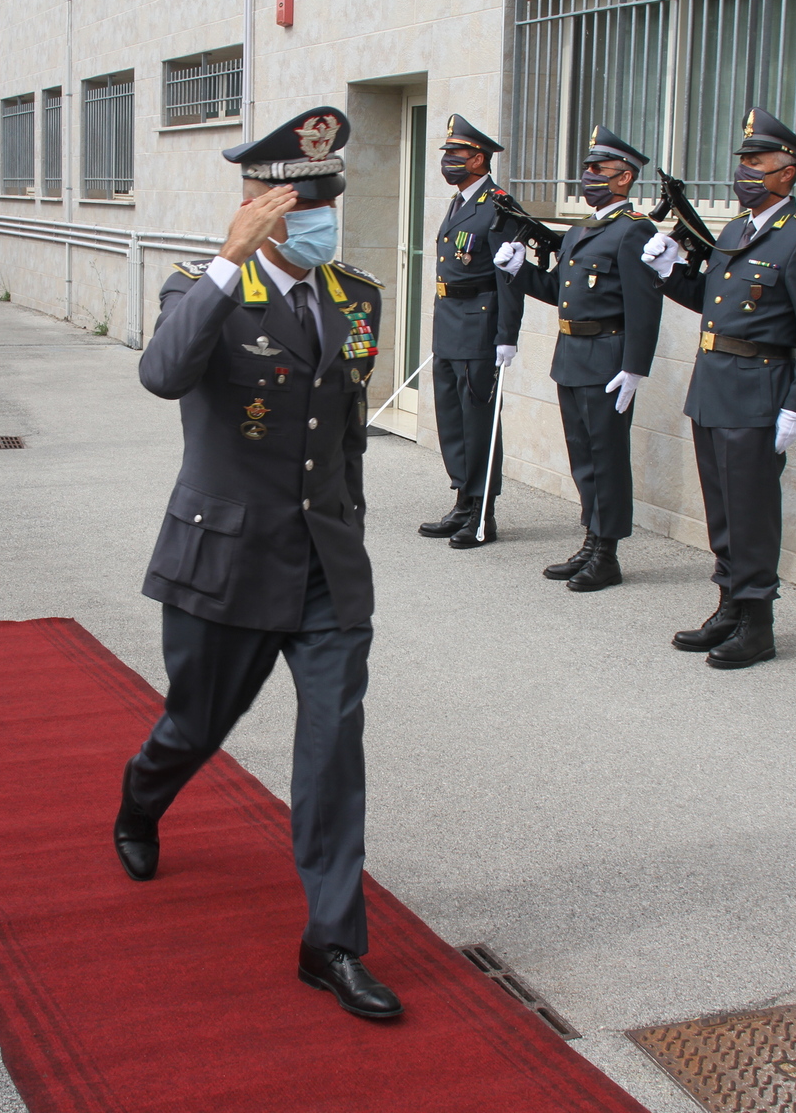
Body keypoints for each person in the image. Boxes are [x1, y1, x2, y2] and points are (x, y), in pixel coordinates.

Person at [114, 108, 401, 1020]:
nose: (317, 215)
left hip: (324, 566)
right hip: (227, 561)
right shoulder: (198, 291)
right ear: (258, 206)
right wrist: (223, 261)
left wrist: (348, 526)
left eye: (326, 199)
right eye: (298, 200)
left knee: (332, 747)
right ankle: (140, 801)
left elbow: (343, 428)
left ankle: (331, 943)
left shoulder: (357, 296)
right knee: (195, 725)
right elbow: (161, 376)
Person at [642, 108, 796, 667]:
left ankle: (757, 621)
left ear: (788, 171)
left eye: (757, 162)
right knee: (723, 509)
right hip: (714, 387)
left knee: (752, 512)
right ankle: (729, 603)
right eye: (744, 162)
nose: (745, 172)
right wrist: (671, 272)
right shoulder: (735, 229)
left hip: (759, 391)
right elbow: (712, 302)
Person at [494, 126, 664, 591]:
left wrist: (634, 367)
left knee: (607, 457)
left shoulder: (634, 231)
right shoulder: (580, 230)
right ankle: (591, 540)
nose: (587, 177)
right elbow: (558, 293)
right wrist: (519, 271)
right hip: (571, 354)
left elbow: (645, 305)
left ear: (624, 178)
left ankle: (607, 553)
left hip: (608, 359)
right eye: (586, 169)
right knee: (584, 457)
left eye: (598, 170)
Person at [417, 115, 525, 548]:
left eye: (456, 155)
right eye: (447, 155)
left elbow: (509, 277)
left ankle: (483, 513)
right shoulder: (461, 202)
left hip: (480, 326)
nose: (449, 162)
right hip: (449, 323)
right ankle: (462, 500)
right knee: (453, 420)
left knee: (478, 422)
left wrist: (506, 335)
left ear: (479, 158)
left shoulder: (499, 206)